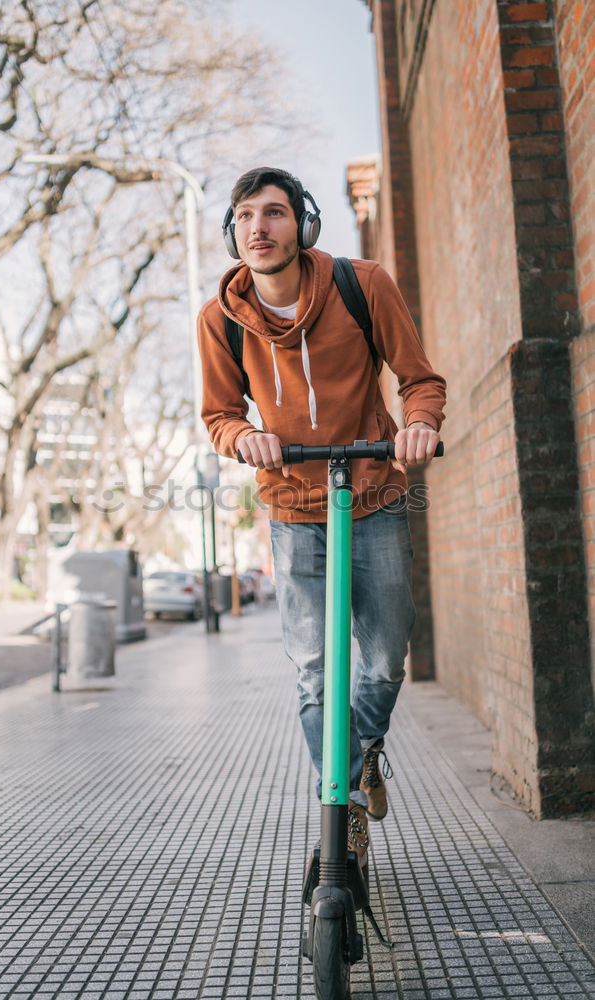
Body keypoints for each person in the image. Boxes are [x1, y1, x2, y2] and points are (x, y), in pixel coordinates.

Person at [197, 167, 446, 860]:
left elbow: (418, 378)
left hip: (371, 494)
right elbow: (219, 414)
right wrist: (243, 437)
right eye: (245, 215)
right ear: (231, 232)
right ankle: (341, 812)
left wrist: (418, 424)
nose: (259, 227)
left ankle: (363, 751)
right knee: (312, 668)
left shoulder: (361, 285)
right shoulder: (219, 318)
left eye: (274, 213)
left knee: (387, 654)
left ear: (301, 225)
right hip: (291, 507)